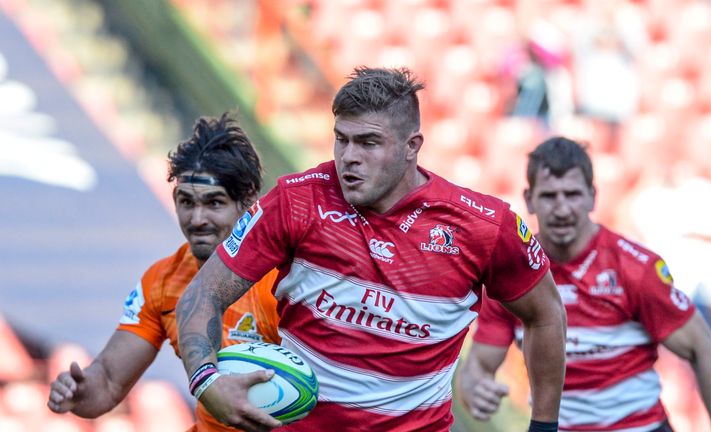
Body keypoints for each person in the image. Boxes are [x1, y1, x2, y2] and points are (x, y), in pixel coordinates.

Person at [175, 66, 567, 432]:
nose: (349, 157)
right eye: (341, 139)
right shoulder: (295, 201)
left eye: (368, 142)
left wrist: (544, 425)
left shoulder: (483, 226)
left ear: (412, 146)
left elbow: (546, 314)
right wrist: (207, 381)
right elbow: (203, 294)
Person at [457, 136, 711, 432]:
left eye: (573, 194)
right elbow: (478, 367)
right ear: (529, 199)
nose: (562, 209)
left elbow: (703, 350)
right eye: (550, 196)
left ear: (592, 196)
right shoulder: (513, 274)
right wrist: (474, 387)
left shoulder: (634, 267)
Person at [46, 112, 281, 432]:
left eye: (214, 203)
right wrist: (80, 392)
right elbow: (110, 382)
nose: (197, 218)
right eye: (186, 202)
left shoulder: (287, 278)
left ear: (249, 203)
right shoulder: (163, 281)